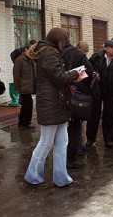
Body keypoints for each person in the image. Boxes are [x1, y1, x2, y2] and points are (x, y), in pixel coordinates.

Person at [24, 28, 85, 188]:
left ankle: (61, 177)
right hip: (51, 104)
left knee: (62, 141)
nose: (65, 43)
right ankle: (33, 176)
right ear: (58, 40)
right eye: (64, 40)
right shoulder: (49, 54)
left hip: (56, 104)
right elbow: (58, 78)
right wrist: (74, 74)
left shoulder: (47, 53)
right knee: (46, 142)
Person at [61, 37, 94, 169]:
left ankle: (63, 157)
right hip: (76, 93)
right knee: (75, 125)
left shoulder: (55, 54)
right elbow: (90, 71)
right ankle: (71, 156)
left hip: (59, 94)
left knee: (61, 129)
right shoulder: (77, 54)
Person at [13, 43, 36, 129]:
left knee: (27, 104)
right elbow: (16, 75)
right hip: (24, 86)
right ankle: (24, 122)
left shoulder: (31, 59)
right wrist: (17, 87)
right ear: (25, 50)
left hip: (29, 86)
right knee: (27, 104)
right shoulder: (19, 60)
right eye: (30, 50)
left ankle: (24, 122)